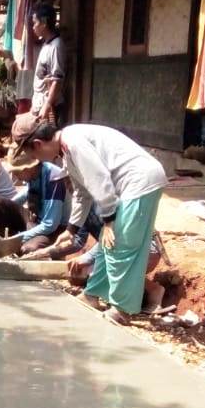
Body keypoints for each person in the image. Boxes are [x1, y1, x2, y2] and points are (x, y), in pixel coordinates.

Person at [11, 113, 167, 325]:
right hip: (130, 186)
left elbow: (100, 181)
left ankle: (122, 309)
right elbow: (82, 192)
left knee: (121, 245)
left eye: (32, 153)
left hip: (139, 182)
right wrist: (71, 230)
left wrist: (110, 220)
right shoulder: (67, 149)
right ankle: (92, 294)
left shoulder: (74, 143)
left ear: (37, 145)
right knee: (107, 243)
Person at [6, 160, 69, 255]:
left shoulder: (54, 179)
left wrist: (19, 238)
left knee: (28, 249)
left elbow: (50, 225)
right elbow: (24, 194)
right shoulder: (33, 175)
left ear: (27, 169)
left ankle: (14, 245)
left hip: (55, 229)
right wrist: (6, 206)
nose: (16, 177)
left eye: (17, 173)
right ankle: (6, 241)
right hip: (36, 222)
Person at [30, 4, 65, 124]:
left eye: (35, 23)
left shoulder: (56, 46)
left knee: (49, 140)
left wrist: (47, 105)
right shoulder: (47, 44)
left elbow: (57, 79)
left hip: (50, 108)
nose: (33, 27)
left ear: (44, 23)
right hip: (41, 103)